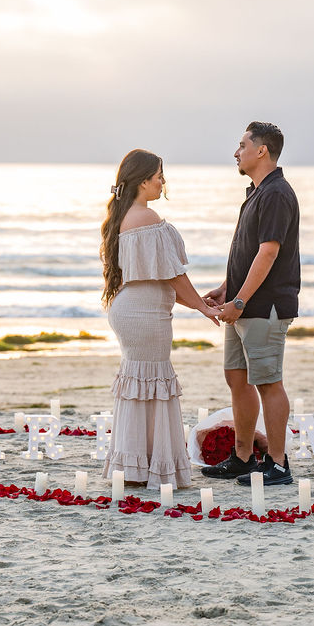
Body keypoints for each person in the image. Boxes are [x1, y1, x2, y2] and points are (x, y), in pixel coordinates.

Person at [100, 149, 223, 490]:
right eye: (158, 177)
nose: (162, 183)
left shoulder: (126, 215)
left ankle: (136, 466)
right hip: (143, 315)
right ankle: (150, 467)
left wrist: (199, 303)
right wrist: (202, 307)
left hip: (135, 310)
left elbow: (162, 278)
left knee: (140, 385)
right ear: (142, 181)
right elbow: (173, 275)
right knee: (152, 383)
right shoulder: (147, 218)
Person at [200, 122, 300, 486]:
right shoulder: (257, 192)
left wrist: (240, 299)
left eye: (242, 145)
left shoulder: (275, 193)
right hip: (243, 304)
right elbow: (247, 252)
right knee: (237, 378)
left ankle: (277, 463)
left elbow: (269, 252)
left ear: (262, 151)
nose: (236, 151)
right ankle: (243, 458)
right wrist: (228, 288)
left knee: (269, 382)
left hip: (264, 306)